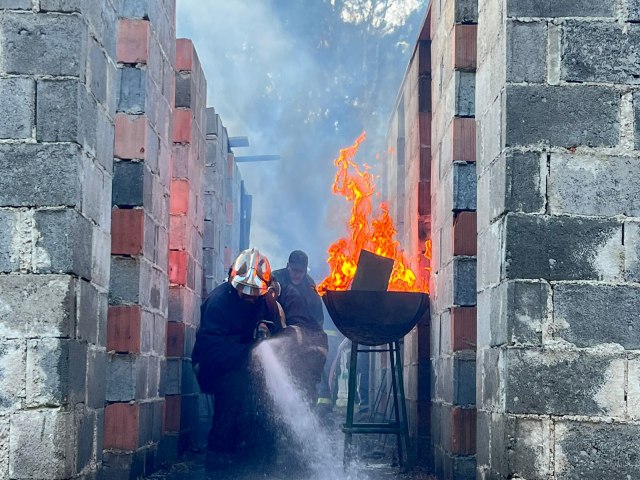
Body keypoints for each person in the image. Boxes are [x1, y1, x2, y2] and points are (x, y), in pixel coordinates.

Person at [192, 248, 283, 472]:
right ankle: (219, 463)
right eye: (244, 290)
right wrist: (249, 354)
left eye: (254, 292)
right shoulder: (219, 302)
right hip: (214, 368)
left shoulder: (266, 302)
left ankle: (261, 461)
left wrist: (268, 332)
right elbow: (212, 351)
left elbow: (280, 333)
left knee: (266, 395)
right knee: (237, 389)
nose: (249, 296)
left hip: (250, 366)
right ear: (234, 280)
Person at [272, 250, 329, 407]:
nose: (297, 274)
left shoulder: (310, 289)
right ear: (288, 266)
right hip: (276, 328)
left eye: (301, 271)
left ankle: (310, 404)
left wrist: (315, 341)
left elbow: (317, 319)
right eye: (294, 270)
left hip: (301, 333)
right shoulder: (275, 278)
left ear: (305, 270)